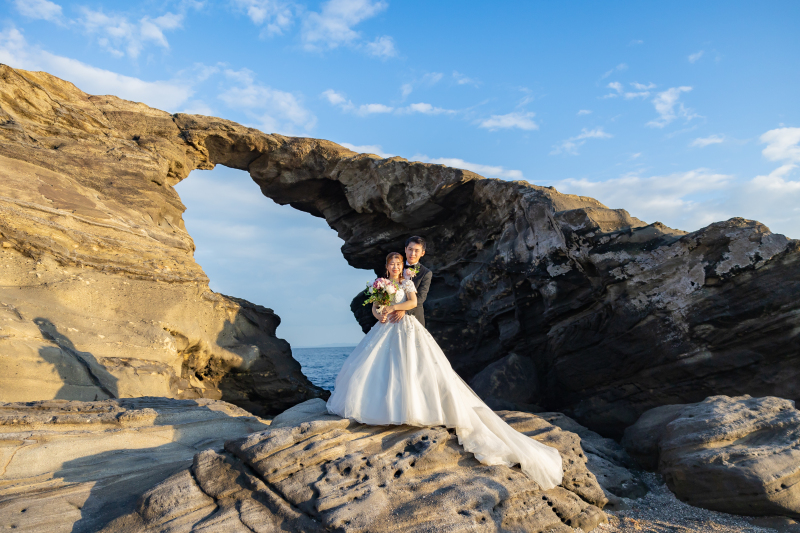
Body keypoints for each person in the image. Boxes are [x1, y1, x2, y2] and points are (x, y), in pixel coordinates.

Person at [326, 250, 563, 489]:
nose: (396, 266)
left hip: (406, 326)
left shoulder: (407, 282)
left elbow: (413, 302)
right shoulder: (381, 284)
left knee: (413, 368)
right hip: (386, 328)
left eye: (398, 263)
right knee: (381, 368)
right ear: (387, 267)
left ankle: (414, 409)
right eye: (392, 263)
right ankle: (385, 409)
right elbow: (376, 307)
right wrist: (381, 313)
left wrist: (397, 308)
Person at [387, 236, 432, 327]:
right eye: (410, 249)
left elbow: (421, 297)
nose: (412, 253)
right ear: (405, 249)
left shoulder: (426, 273)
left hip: (414, 317)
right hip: (391, 317)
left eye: (416, 251)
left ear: (422, 253)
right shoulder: (395, 267)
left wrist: (404, 310)